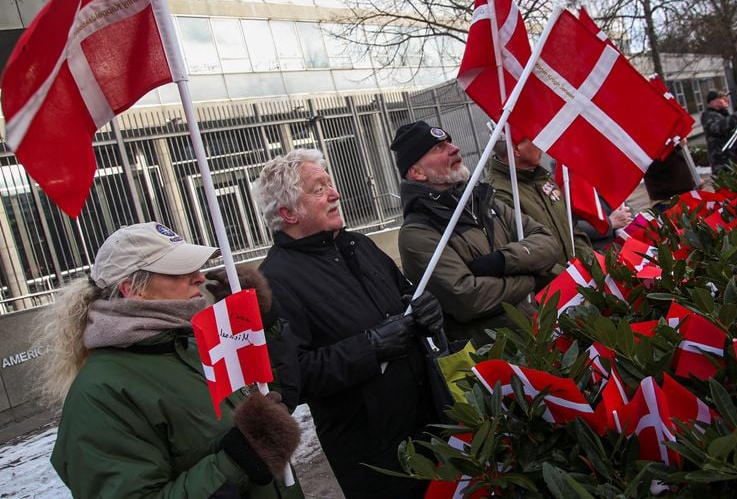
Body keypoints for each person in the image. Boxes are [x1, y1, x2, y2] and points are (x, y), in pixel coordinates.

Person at [41, 222, 303, 498]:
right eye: (180, 269)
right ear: (132, 289)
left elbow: (277, 392)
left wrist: (258, 323)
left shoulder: (191, 343)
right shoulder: (100, 394)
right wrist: (239, 462)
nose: (200, 277)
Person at [253, 149, 443, 499]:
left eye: (330, 183)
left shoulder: (359, 244)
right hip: (375, 451)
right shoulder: (273, 281)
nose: (335, 193)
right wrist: (369, 347)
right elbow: (293, 376)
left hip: (430, 418)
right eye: (318, 188)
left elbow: (404, 295)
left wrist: (425, 307)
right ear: (288, 213)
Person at [391, 121, 560, 345]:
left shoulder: (484, 202)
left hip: (538, 334)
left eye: (448, 142)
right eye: (438, 148)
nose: (454, 148)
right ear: (417, 172)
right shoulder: (417, 233)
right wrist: (531, 276)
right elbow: (468, 299)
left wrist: (503, 261)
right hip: (496, 356)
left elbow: (548, 242)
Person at [485, 137, 594, 270]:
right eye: (533, 139)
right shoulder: (498, 195)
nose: (541, 145)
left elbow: (572, 229)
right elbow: (521, 256)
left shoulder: (542, 177)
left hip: (579, 280)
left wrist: (589, 265)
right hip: (553, 287)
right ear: (516, 149)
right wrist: (568, 278)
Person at [701, 90, 737, 174]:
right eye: (723, 98)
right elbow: (720, 127)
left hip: (736, 161)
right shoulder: (708, 115)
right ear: (713, 102)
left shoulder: (723, 114)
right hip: (724, 164)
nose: (727, 100)